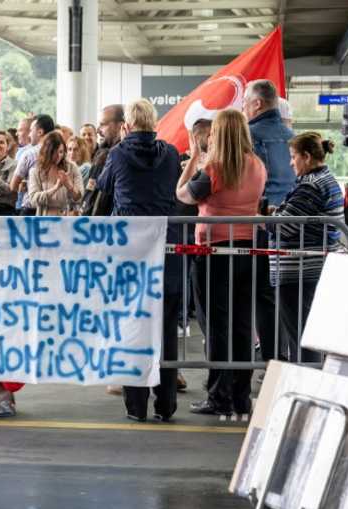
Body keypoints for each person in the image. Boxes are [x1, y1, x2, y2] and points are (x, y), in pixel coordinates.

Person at [177, 108, 267, 418]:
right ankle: (241, 396)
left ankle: (219, 394)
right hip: (251, 248)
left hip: (213, 250)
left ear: (220, 134)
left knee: (215, 325)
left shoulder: (215, 169)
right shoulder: (257, 165)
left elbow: (183, 196)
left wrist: (192, 160)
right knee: (243, 324)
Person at [96, 99, 183, 423]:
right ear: (155, 124)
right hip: (168, 249)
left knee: (133, 328)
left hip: (129, 254)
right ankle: (167, 404)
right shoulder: (172, 154)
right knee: (167, 329)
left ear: (127, 127)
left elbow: (104, 186)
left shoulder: (117, 154)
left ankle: (137, 406)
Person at [268, 132, 346, 362]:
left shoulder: (311, 186)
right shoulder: (325, 180)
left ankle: (307, 381)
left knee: (301, 336)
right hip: (312, 270)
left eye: (293, 157)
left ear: (307, 156)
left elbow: (284, 227)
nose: (291, 162)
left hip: (299, 273)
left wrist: (264, 218)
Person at [244, 79, 294, 364]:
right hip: (291, 225)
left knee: (263, 295)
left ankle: (271, 359)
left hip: (260, 224)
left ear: (258, 104)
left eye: (245, 103)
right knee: (285, 293)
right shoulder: (291, 136)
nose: (243, 109)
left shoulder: (249, 137)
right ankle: (286, 356)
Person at [27, 131, 83, 216]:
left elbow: (79, 197)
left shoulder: (72, 167)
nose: (58, 156)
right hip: (44, 219)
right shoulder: (36, 171)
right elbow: (33, 200)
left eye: (60, 152)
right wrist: (55, 188)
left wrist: (69, 185)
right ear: (47, 151)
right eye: (54, 152)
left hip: (68, 220)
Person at [82, 105, 124, 216]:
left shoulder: (111, 156)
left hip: (107, 225)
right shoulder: (103, 153)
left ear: (120, 125)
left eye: (103, 124)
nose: (98, 130)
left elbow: (97, 197)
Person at [10, 114, 55, 215]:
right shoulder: (60, 153)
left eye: (31, 130)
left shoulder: (29, 154)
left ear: (40, 132)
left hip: (31, 210)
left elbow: (13, 186)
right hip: (54, 209)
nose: (29, 135)